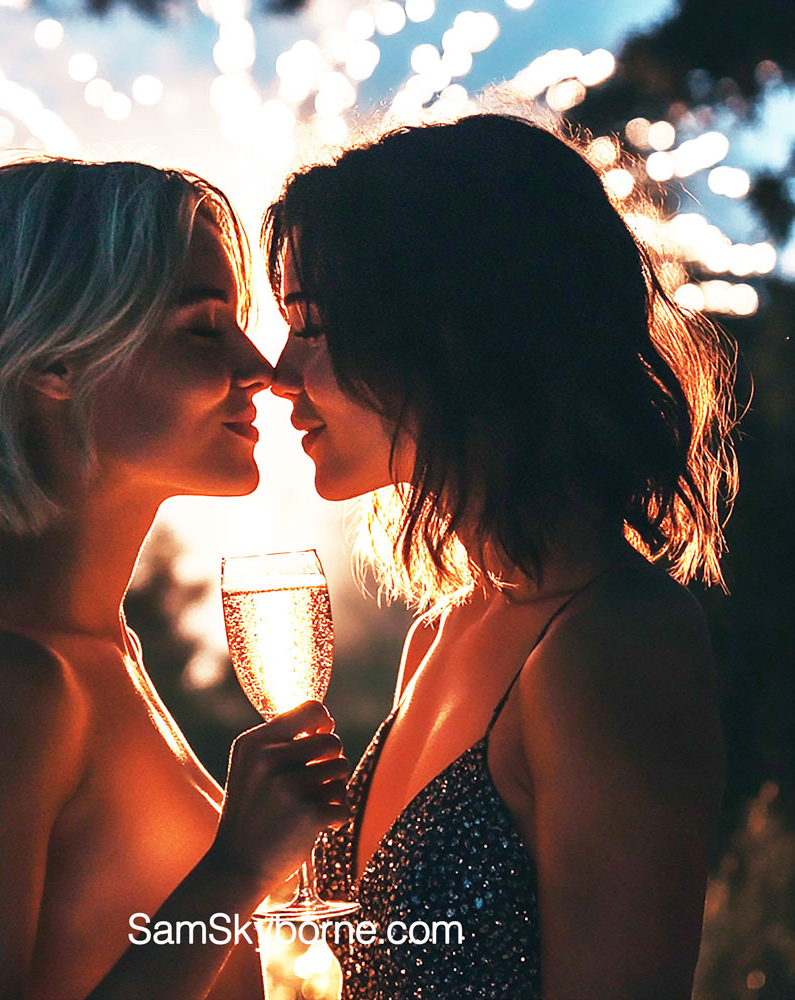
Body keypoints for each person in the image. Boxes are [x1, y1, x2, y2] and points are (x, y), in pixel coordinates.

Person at [0, 151, 350, 1000]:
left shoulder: (100, 648)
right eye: (203, 327)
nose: (258, 366)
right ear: (55, 363)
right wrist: (236, 871)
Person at [264, 113, 738, 999]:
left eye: (316, 325)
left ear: (449, 329)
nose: (280, 373)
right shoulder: (439, 632)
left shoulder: (612, 645)